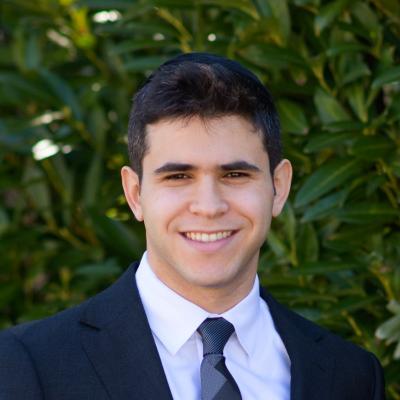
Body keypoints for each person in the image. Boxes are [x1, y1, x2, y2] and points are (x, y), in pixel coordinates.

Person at [0, 53, 384, 400]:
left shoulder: (351, 376)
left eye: (235, 174)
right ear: (135, 194)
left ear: (278, 187)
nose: (209, 206)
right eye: (178, 177)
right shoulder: (31, 364)